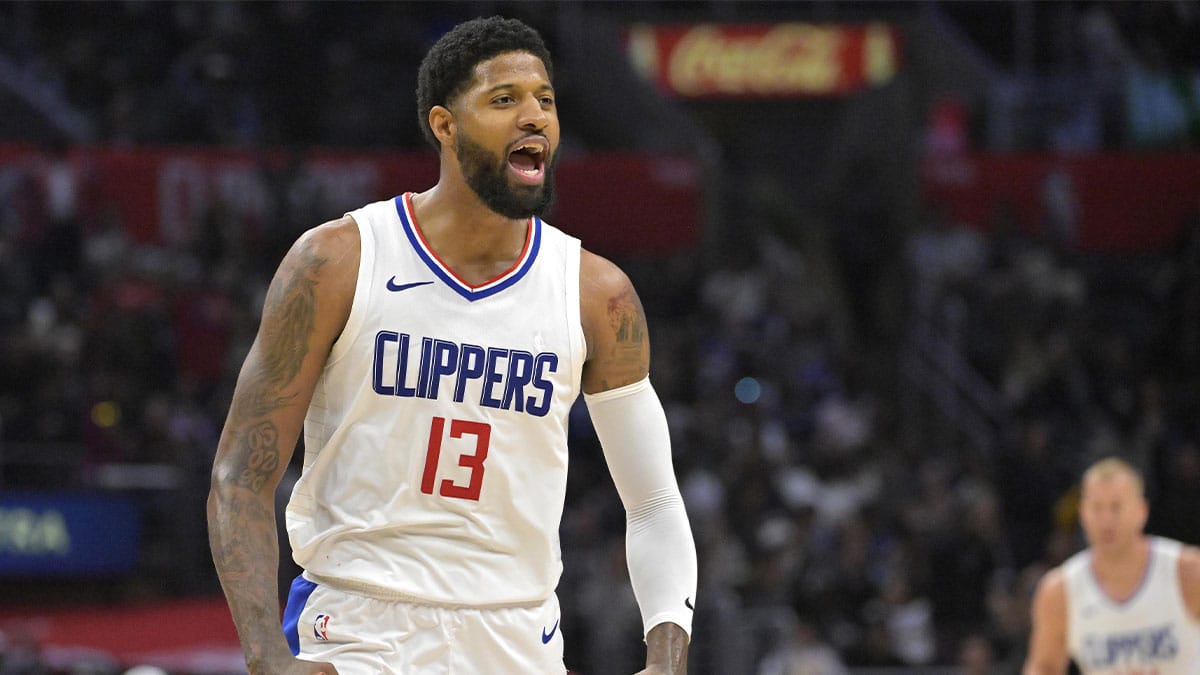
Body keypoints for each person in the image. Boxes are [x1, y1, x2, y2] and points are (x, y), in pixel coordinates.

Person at [206, 16, 697, 675]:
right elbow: (240, 474)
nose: (534, 117)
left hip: (519, 640)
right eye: (505, 100)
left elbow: (655, 500)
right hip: (358, 631)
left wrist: (666, 658)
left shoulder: (597, 295)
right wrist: (268, 660)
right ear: (444, 125)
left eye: (545, 100)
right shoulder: (337, 262)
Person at [1022, 457, 1200, 674]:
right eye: (1097, 508)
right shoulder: (1060, 591)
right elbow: (1044, 666)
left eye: (1116, 507)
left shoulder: (1188, 573)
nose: (1106, 520)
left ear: (1141, 511)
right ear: (1083, 514)